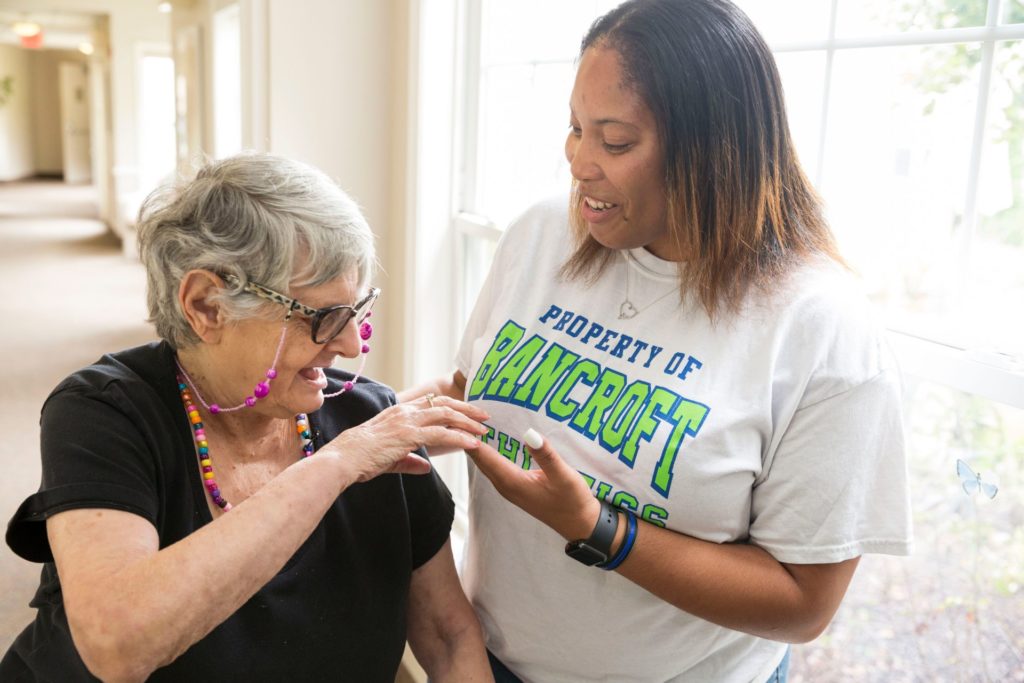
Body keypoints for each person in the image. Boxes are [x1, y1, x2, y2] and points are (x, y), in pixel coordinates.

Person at [400, 0, 912, 681]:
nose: (580, 163)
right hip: (493, 662)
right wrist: (390, 423)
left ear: (713, 151)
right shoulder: (540, 234)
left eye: (615, 141)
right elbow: (479, 393)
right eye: (576, 128)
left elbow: (802, 602)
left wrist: (598, 527)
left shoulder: (823, 327)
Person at [2, 153, 494, 682]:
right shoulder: (103, 412)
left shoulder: (372, 419)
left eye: (356, 311)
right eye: (324, 318)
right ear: (207, 306)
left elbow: (448, 638)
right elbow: (118, 646)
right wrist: (336, 466)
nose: (351, 345)